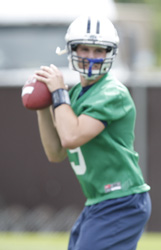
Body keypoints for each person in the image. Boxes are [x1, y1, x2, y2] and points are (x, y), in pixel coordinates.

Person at [34, 15, 151, 250]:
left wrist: (57, 93)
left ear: (110, 53)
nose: (90, 57)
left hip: (121, 201)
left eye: (98, 50)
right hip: (99, 201)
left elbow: (71, 136)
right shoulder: (75, 94)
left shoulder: (112, 92)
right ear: (71, 50)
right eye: (84, 49)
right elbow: (56, 152)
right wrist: (43, 106)